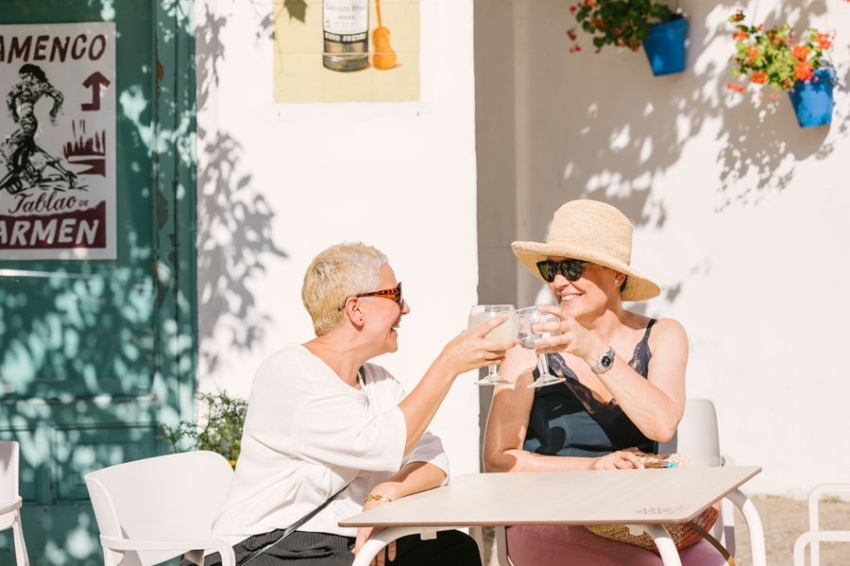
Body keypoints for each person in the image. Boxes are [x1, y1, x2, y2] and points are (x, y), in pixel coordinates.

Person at [208, 242, 514, 566]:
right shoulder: (289, 373)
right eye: (395, 294)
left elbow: (435, 459)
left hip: (347, 541)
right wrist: (448, 364)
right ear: (356, 309)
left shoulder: (376, 380)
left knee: (454, 548)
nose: (406, 307)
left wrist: (385, 494)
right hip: (272, 545)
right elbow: (380, 443)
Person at [483, 200, 727, 566]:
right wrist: (591, 467)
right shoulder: (526, 345)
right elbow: (498, 460)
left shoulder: (663, 335)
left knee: (712, 564)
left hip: (630, 515)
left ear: (616, 275)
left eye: (571, 267)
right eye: (551, 269)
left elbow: (661, 424)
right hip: (545, 512)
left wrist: (592, 349)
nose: (558, 282)